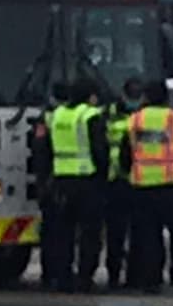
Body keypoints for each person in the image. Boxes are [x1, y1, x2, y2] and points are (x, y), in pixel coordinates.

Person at [119, 79, 173, 294]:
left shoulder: (135, 121)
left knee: (147, 237)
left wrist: (132, 173)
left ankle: (150, 280)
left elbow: (125, 155)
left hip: (142, 186)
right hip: (170, 186)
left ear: (145, 96)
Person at [40, 79, 109, 292]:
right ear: (90, 97)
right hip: (86, 181)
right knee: (89, 233)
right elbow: (100, 151)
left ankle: (63, 277)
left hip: (61, 180)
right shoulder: (89, 116)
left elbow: (46, 149)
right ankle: (85, 277)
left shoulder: (57, 115)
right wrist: (103, 176)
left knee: (63, 233)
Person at [103, 78, 143, 289]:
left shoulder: (144, 116)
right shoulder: (109, 113)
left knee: (136, 232)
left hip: (137, 179)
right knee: (116, 233)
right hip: (117, 180)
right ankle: (114, 274)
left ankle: (133, 276)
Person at [32, 80, 71, 291]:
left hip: (51, 181)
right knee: (64, 232)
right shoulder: (78, 117)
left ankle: (50, 273)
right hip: (64, 180)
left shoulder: (47, 118)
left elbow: (38, 151)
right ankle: (62, 273)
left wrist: (41, 182)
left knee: (51, 231)